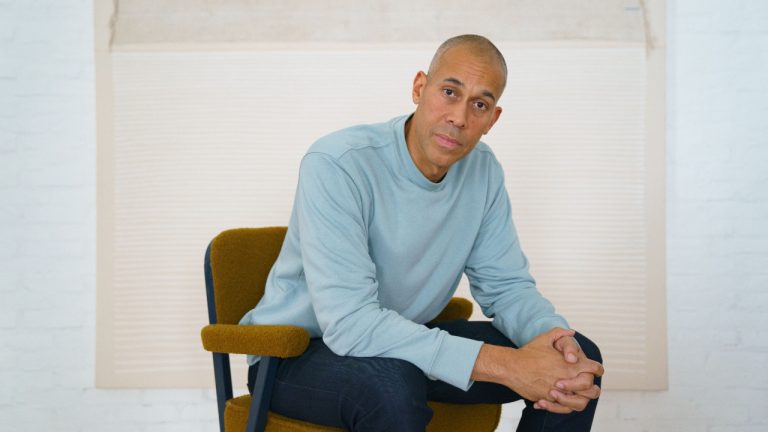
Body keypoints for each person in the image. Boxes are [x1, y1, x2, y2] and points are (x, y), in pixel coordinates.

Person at [240, 34, 605, 431]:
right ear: (419, 88)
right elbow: (350, 325)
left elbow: (507, 287)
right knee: (390, 386)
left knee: (577, 363)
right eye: (450, 92)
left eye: (479, 104)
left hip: (400, 344)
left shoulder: (482, 171)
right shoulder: (337, 163)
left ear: (492, 119)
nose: (460, 118)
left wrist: (553, 339)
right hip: (296, 355)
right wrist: (507, 365)